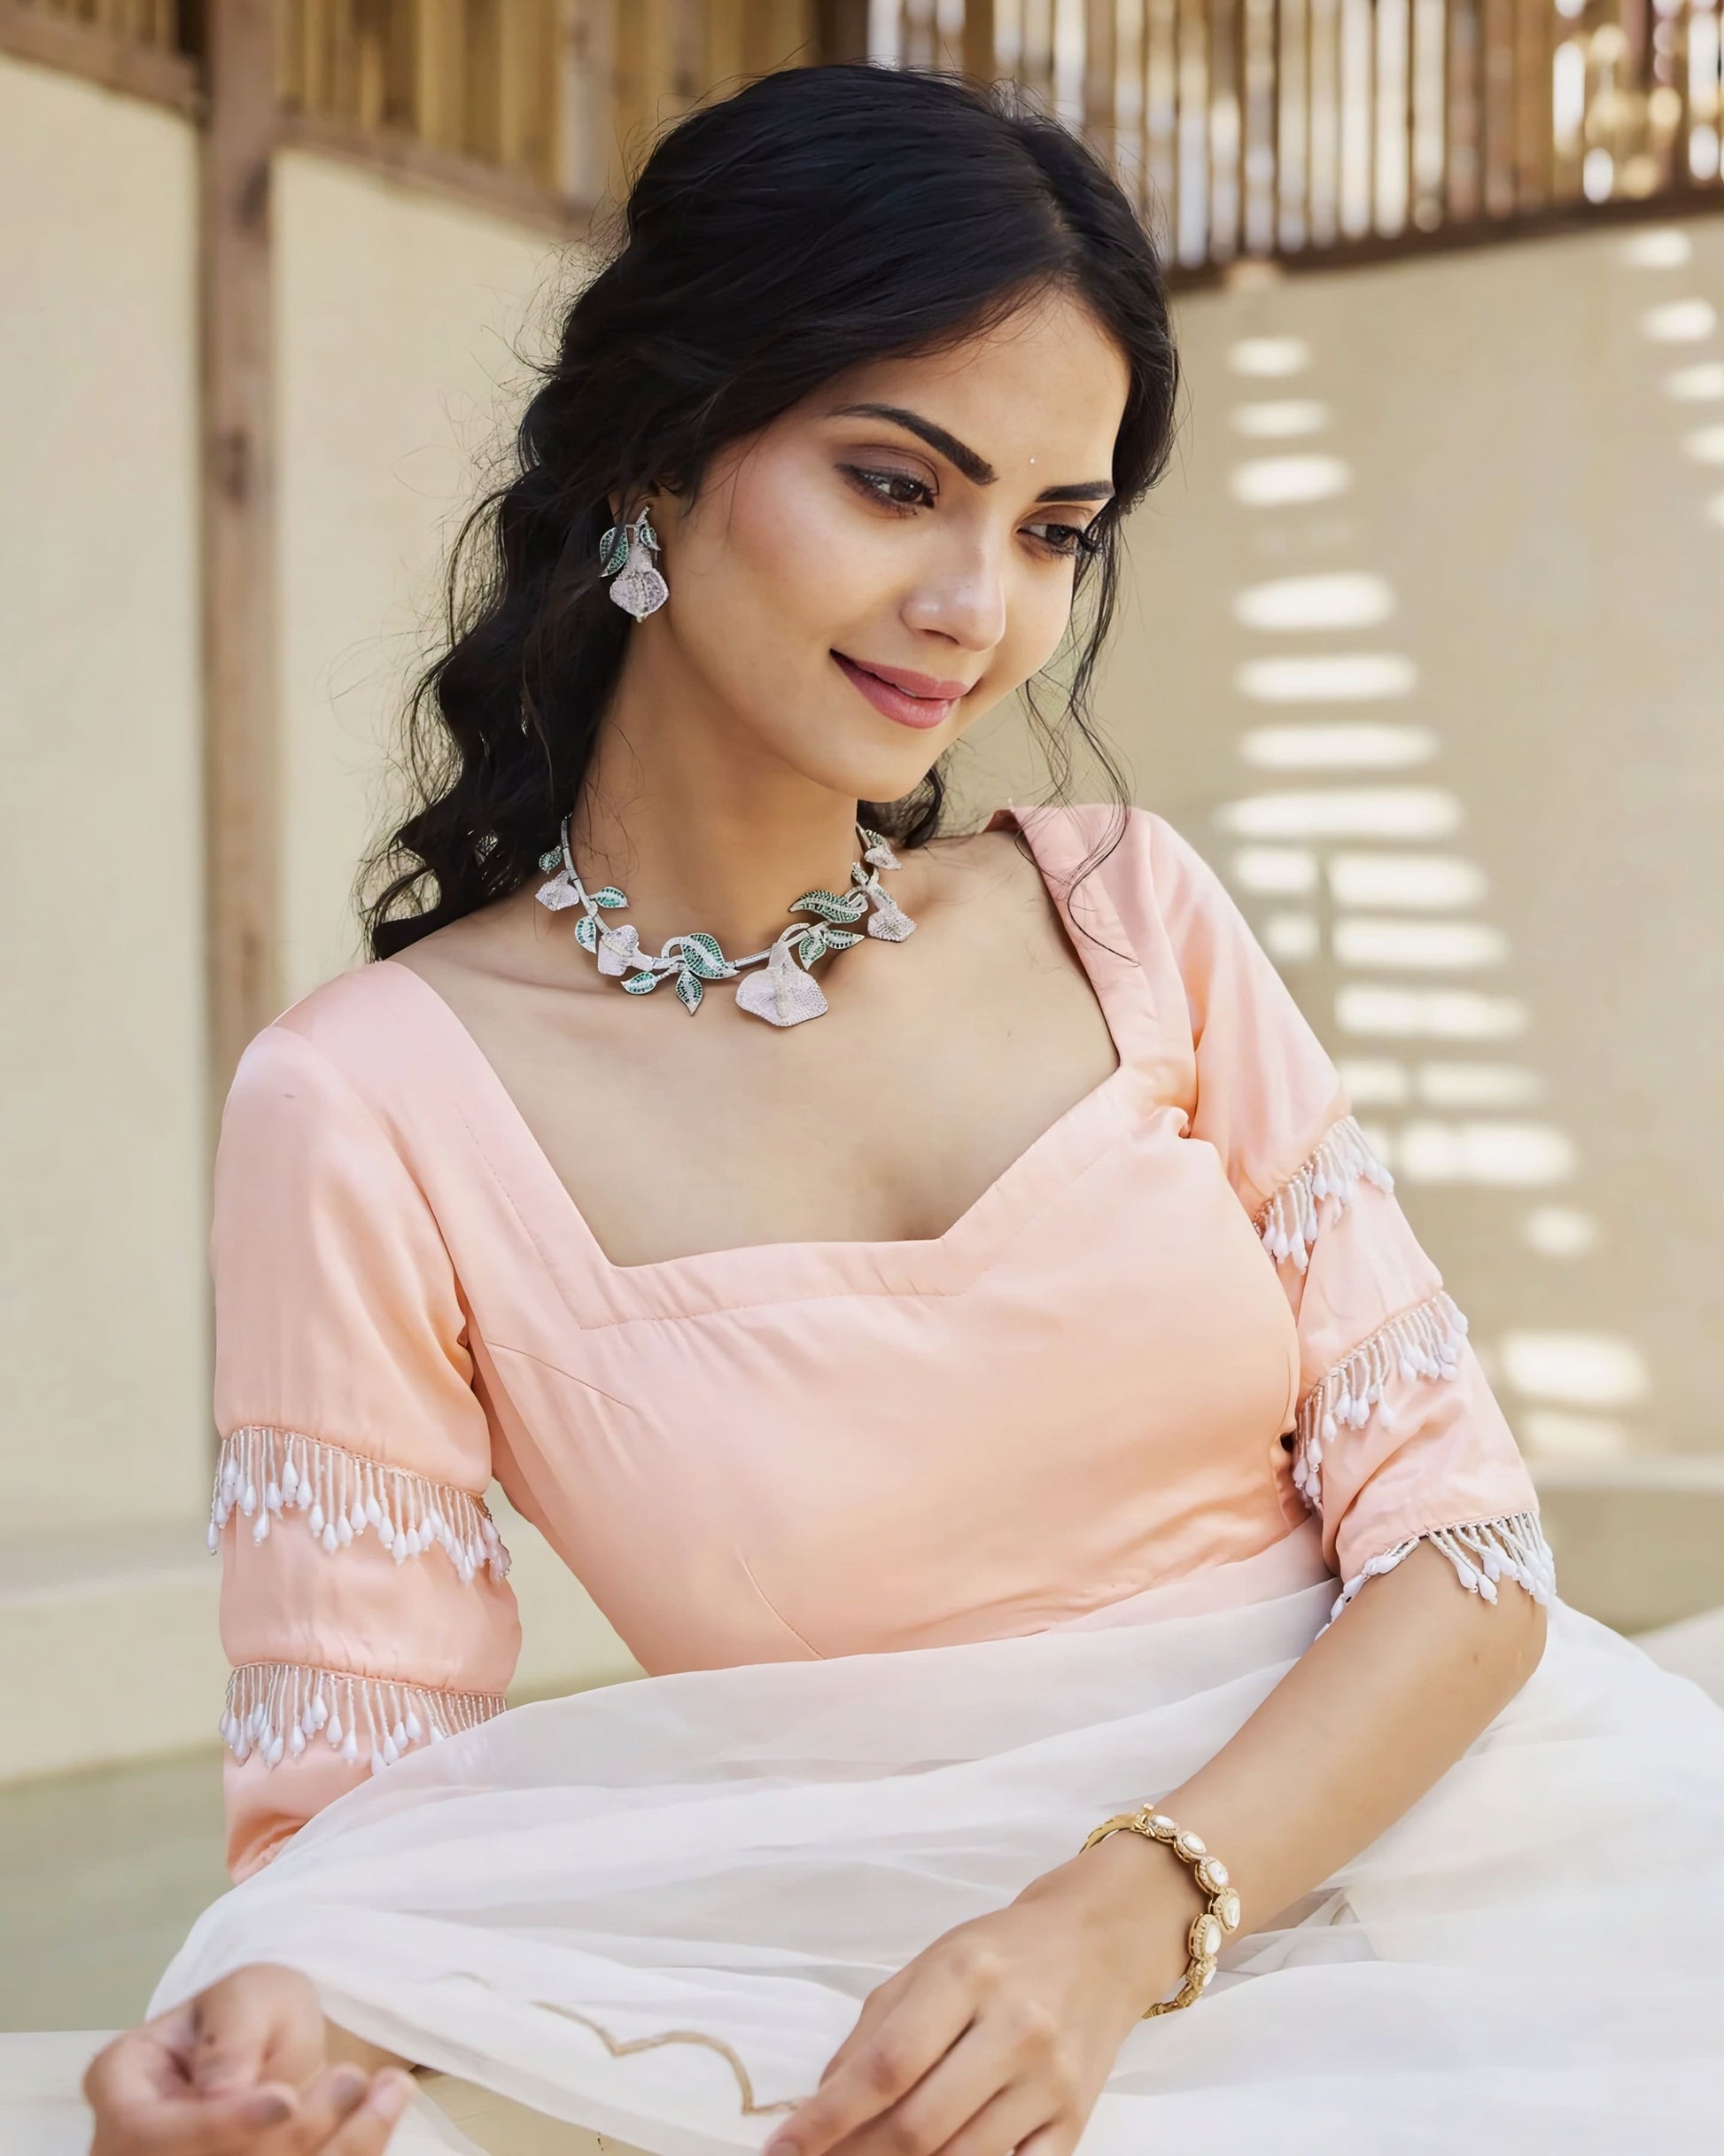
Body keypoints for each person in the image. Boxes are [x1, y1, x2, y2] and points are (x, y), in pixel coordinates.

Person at [75, 62, 1720, 2156]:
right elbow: (365, 1830)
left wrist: (1125, 1916)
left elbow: (1466, 1546)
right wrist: (259, 2053)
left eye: (1050, 531)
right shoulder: (372, 1098)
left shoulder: (1125, 918)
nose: (976, 607)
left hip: (1488, 1881)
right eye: (892, 482)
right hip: (908, 2033)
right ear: (654, 454)